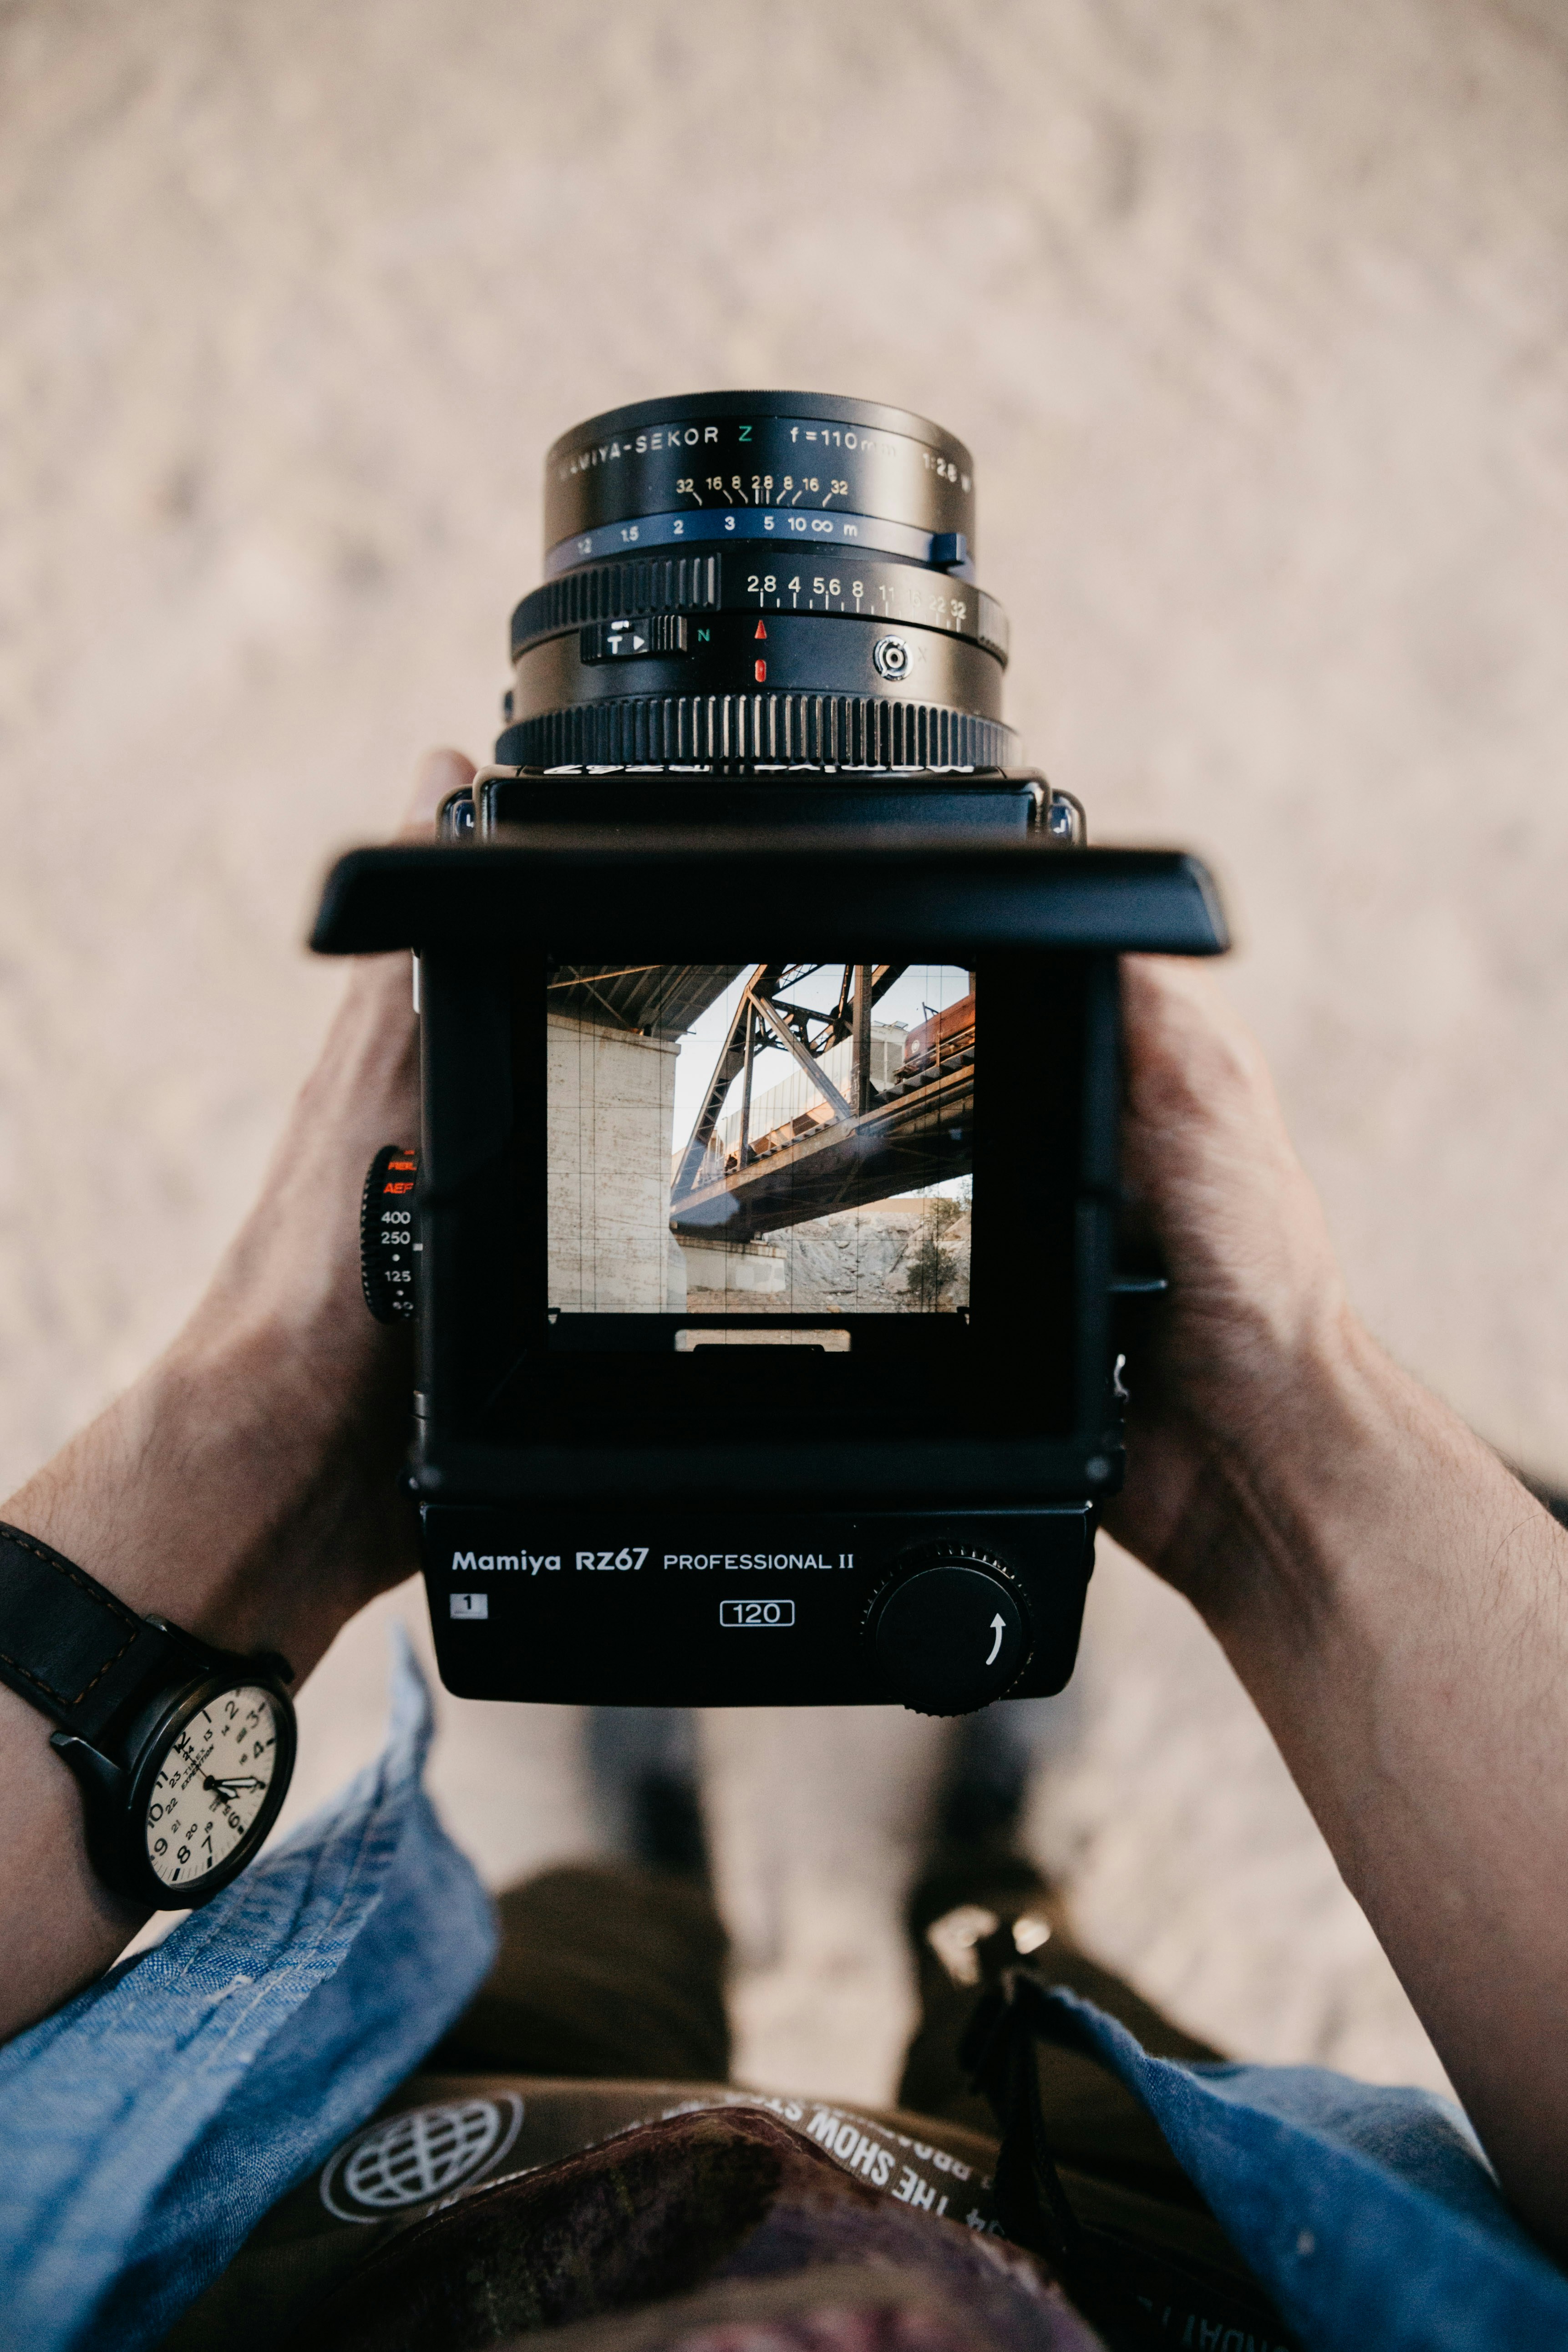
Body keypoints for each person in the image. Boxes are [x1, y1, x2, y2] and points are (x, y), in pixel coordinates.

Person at [2, 748, 1567, 2352]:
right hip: (1139, 2257)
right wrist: (1283, 1449)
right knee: (1032, 2010)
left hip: (418, 2196)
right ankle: (981, 1885)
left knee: (576, 1950)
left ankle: (658, 1867)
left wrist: (248, 1446)